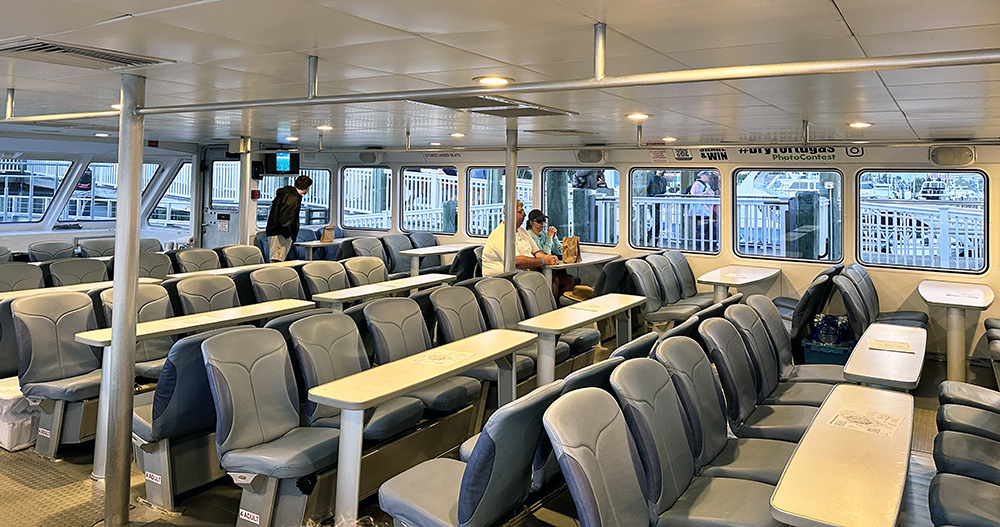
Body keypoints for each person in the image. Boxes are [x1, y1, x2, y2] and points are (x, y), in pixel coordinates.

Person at [481, 200, 559, 276]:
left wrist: (549, 258)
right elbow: (516, 261)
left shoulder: (522, 231)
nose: (524, 215)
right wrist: (543, 261)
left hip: (524, 275)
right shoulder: (499, 234)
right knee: (551, 283)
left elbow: (536, 252)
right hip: (503, 279)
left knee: (566, 280)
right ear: (511, 213)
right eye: (521, 212)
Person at [265, 174, 312, 262]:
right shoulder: (293, 197)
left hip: (276, 231)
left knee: (277, 259)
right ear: (307, 187)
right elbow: (286, 218)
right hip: (281, 233)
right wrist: (288, 234)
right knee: (277, 260)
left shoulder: (286, 194)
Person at [688, 170, 716, 251]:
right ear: (701, 175)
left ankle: (707, 246)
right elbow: (694, 195)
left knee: (707, 229)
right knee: (700, 230)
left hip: (706, 211)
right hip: (699, 211)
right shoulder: (697, 184)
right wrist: (705, 192)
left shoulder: (707, 184)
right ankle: (699, 247)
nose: (708, 177)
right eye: (707, 175)